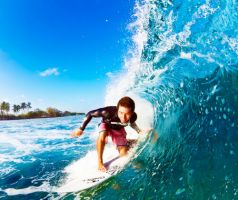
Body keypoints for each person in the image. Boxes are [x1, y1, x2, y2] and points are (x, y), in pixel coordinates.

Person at [71, 96, 147, 172]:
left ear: (132, 113)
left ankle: (128, 142)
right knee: (102, 136)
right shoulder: (107, 112)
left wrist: (139, 131)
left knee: (123, 153)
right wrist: (81, 128)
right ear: (117, 109)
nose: (123, 117)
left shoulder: (133, 117)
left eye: (127, 114)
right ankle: (100, 162)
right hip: (105, 125)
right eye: (121, 112)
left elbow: (132, 123)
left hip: (118, 129)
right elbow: (90, 114)